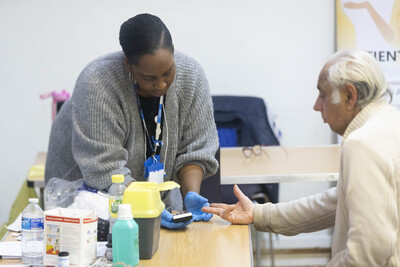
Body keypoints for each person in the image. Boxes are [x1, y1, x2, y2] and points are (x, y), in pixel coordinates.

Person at [203, 49, 400, 266]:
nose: (316, 106)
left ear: (349, 96)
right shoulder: (390, 122)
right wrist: (259, 214)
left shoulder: (362, 143)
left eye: (323, 95)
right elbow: (336, 203)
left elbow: (368, 254)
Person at [45, 13, 218, 229]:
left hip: (158, 205)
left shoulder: (191, 76)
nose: (161, 84)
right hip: (88, 207)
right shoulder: (97, 84)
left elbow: (196, 148)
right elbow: (106, 170)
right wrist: (148, 208)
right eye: (149, 78)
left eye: (168, 72)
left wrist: (191, 194)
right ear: (128, 64)